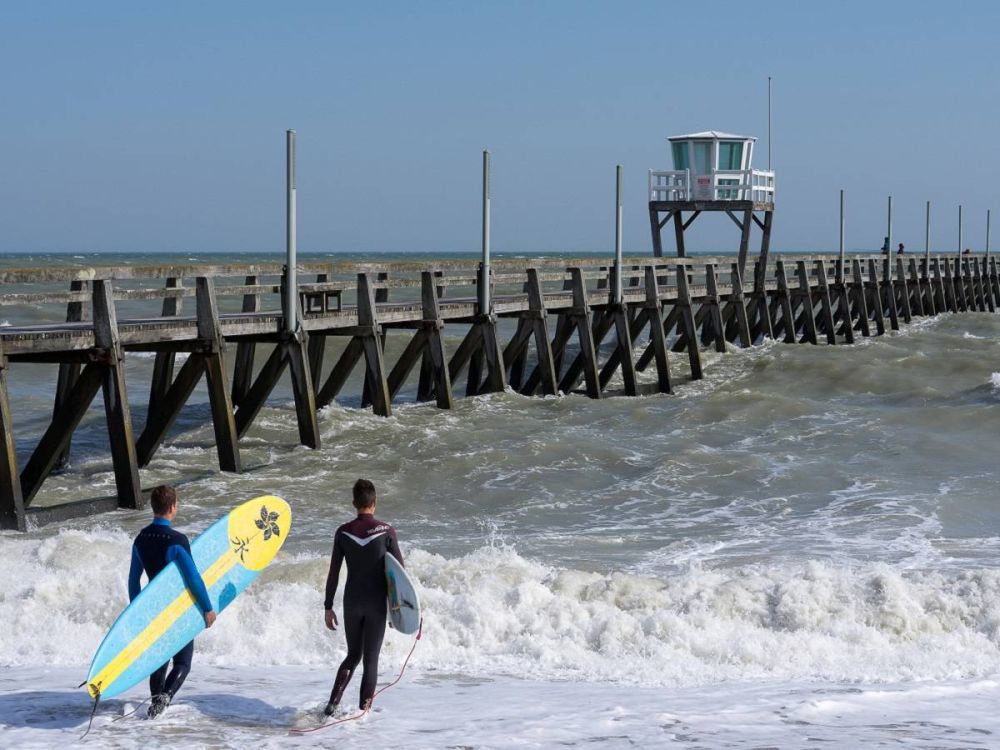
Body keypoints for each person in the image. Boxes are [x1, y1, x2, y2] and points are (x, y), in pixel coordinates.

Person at [128, 484, 216, 719]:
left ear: (153, 507)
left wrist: (135, 611)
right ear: (172, 507)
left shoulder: (141, 538)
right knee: (183, 663)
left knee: (159, 659)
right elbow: (193, 577)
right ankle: (165, 698)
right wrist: (207, 607)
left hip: (152, 610)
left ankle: (156, 703)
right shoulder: (177, 540)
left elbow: (133, 580)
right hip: (177, 610)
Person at [322, 478, 404, 716]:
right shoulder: (386, 531)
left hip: (352, 603)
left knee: (353, 654)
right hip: (376, 603)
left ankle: (332, 704)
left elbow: (334, 572)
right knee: (371, 659)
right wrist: (399, 608)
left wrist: (328, 606)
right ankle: (363, 711)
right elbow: (400, 573)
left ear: (354, 503)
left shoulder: (343, 532)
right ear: (374, 503)